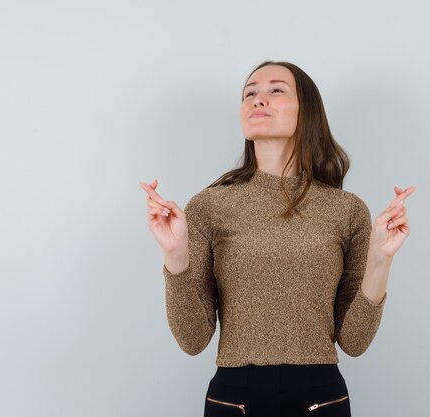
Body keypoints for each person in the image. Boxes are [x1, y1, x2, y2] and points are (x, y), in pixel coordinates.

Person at [140, 61, 416, 417]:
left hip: (321, 397)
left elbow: (355, 342)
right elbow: (193, 341)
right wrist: (175, 255)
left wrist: (382, 259)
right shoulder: (209, 205)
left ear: (308, 111)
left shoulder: (346, 210)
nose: (258, 100)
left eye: (276, 90)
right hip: (234, 397)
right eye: (249, 93)